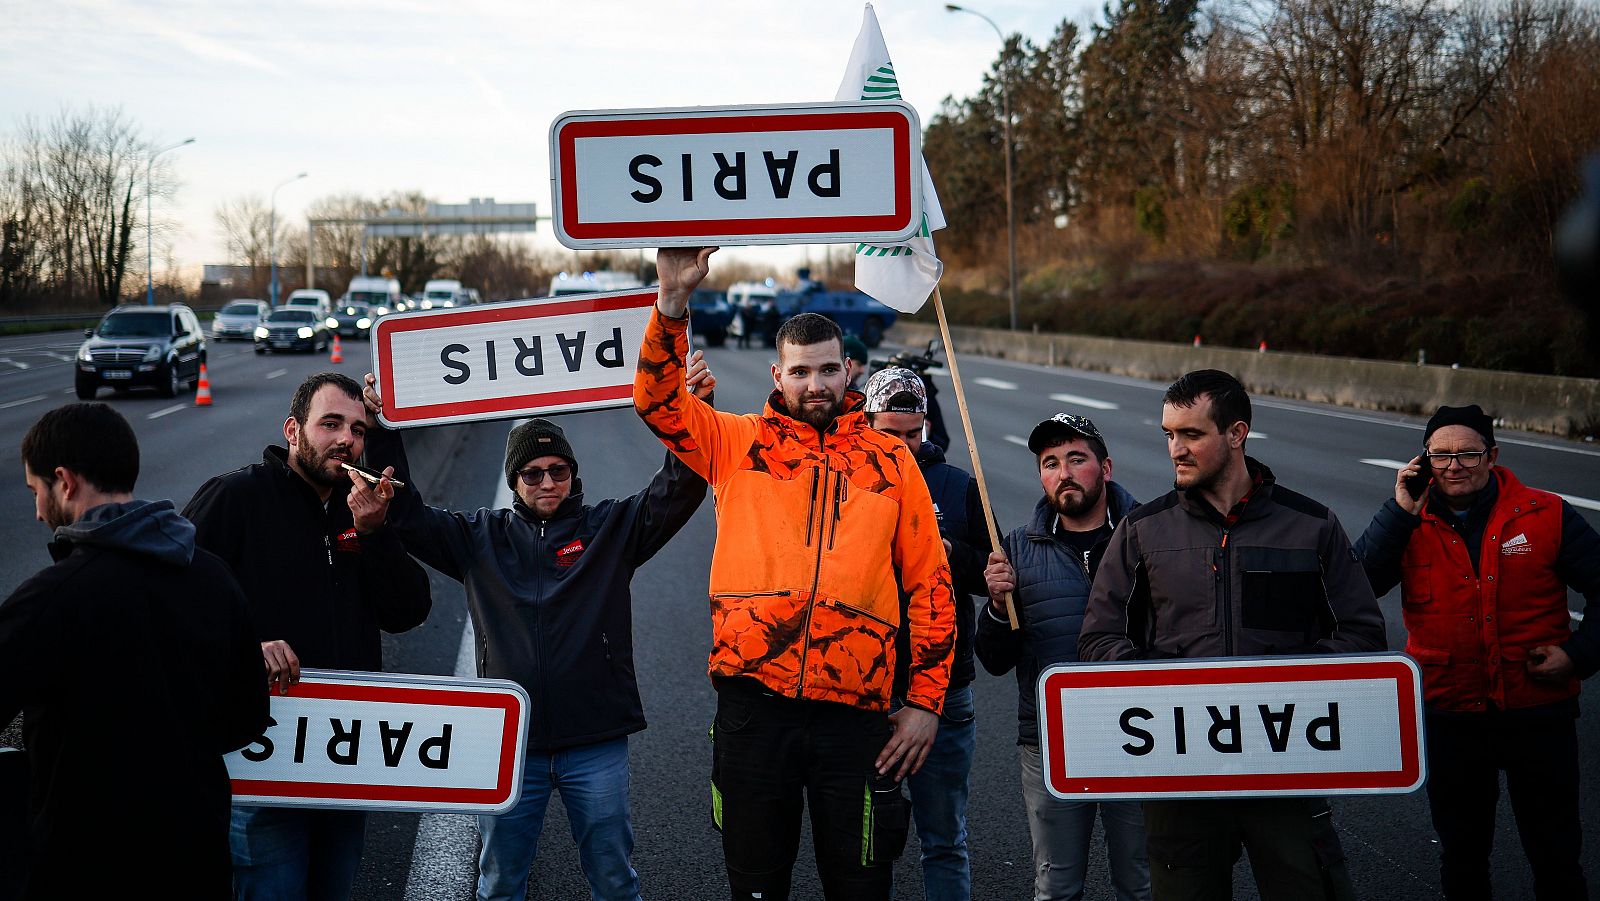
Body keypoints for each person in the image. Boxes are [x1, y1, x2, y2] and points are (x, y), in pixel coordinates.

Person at [634, 247, 956, 901]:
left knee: (861, 886)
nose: (817, 384)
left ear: (848, 372)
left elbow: (931, 585)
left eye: (829, 369)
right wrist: (671, 304)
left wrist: (924, 703)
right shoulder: (735, 440)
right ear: (778, 374)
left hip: (858, 717)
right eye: (802, 371)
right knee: (756, 886)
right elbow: (658, 403)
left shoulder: (892, 461)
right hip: (754, 712)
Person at [360, 353, 717, 901]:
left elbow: (681, 486)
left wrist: (695, 407)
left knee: (614, 878)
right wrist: (384, 425)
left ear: (573, 475)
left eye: (559, 470)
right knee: (501, 882)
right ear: (514, 480)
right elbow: (405, 514)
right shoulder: (478, 537)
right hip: (508, 744)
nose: (547, 481)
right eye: (532, 473)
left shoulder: (609, 529)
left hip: (595, 740)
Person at [1078, 369, 1385, 901]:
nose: (1176, 449)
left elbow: (1362, 634)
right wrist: (1156, 685)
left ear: (1237, 434)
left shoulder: (1311, 526)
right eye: (1169, 434)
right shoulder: (1144, 529)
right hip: (1180, 772)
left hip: (1285, 766)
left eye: (1192, 434)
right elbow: (1099, 637)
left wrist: (1291, 680)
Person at [1, 403, 268, 899]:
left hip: (84, 867)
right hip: (197, 859)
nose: (37, 510)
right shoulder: (213, 577)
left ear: (64, 481)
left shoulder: (54, 596)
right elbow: (247, 717)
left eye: (36, 491)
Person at [184, 372, 433, 901]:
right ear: (294, 430)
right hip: (264, 759)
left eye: (359, 430)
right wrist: (246, 650)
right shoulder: (236, 496)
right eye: (331, 424)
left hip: (345, 758)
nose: (347, 439)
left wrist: (376, 535)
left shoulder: (360, 504)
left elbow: (408, 611)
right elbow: (173, 606)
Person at [1354, 404, 1600, 901]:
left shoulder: (1545, 513)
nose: (1454, 466)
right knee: (1463, 855)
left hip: (1539, 710)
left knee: (1556, 853)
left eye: (1468, 453)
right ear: (1423, 460)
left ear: (1492, 456)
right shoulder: (1408, 521)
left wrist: (1579, 654)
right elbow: (1358, 586)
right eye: (1440, 455)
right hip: (1451, 714)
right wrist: (1398, 511)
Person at [977, 413, 1150, 901]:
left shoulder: (1149, 536)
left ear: (1106, 467)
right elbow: (993, 659)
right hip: (1050, 742)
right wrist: (995, 607)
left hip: (1139, 735)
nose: (1064, 473)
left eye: (1077, 459)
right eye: (1050, 463)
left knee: (1141, 883)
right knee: (1056, 886)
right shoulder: (1015, 547)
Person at [860, 367, 988, 901]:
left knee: (945, 840)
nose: (906, 446)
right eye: (892, 434)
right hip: (863, 688)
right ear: (867, 425)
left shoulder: (958, 486)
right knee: (869, 841)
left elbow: (993, 575)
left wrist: (950, 553)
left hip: (943, 689)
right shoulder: (847, 481)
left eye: (914, 433)